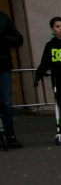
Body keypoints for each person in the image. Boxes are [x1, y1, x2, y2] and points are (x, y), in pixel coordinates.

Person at [0, 9, 24, 148]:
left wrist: (3, 39)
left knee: (6, 103)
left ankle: (10, 135)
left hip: (3, 66)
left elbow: (18, 40)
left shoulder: (3, 17)